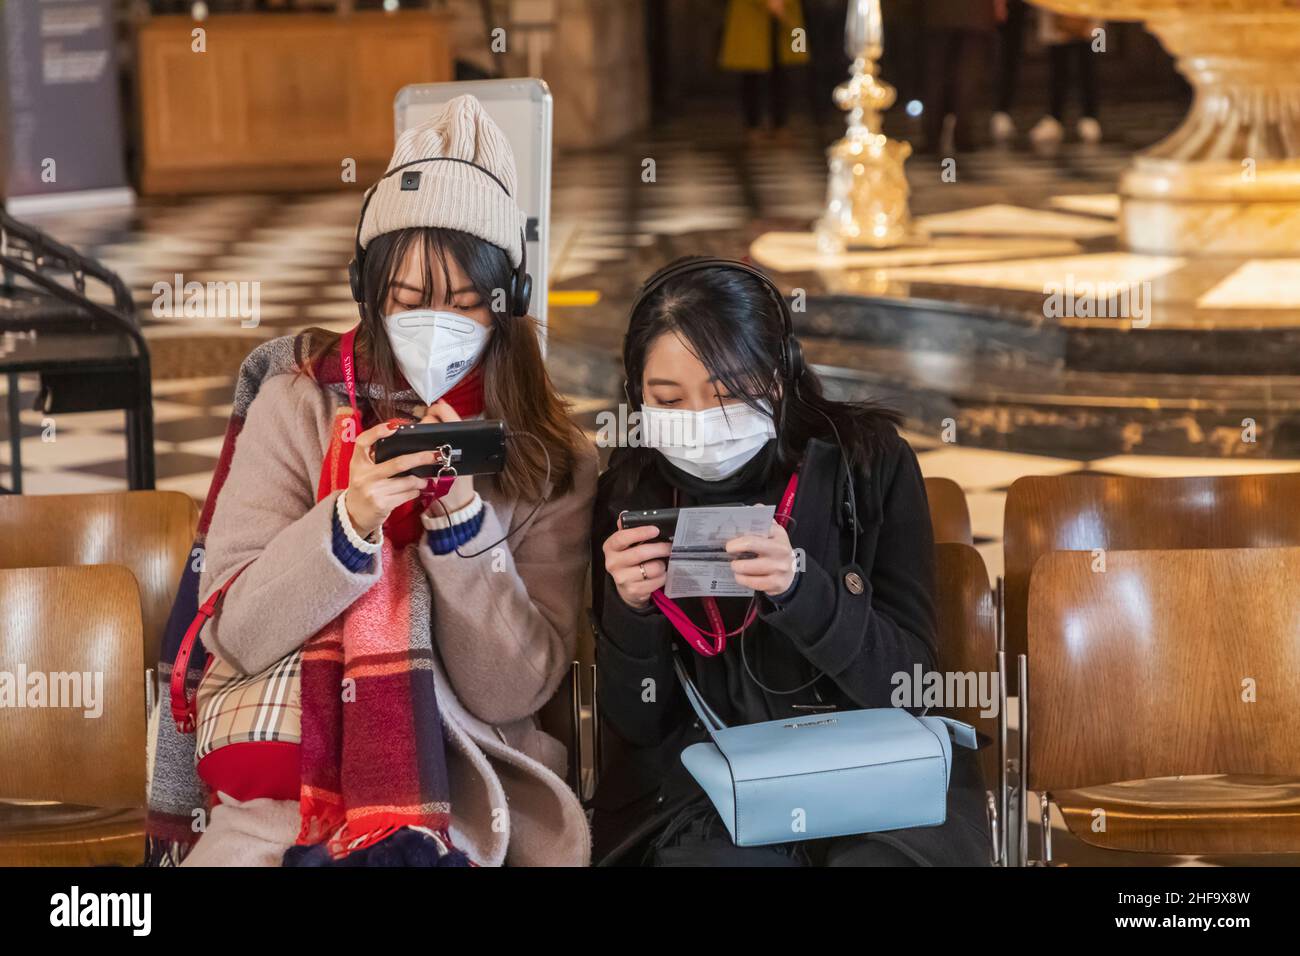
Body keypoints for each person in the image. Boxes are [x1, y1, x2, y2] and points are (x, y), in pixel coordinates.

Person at [147, 95, 596, 867]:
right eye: (411, 302)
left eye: (464, 305)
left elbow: (513, 692)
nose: (437, 325)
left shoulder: (553, 457)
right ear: (369, 296)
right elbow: (236, 634)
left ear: (509, 305)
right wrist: (346, 521)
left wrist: (461, 536)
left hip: (465, 788)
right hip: (285, 789)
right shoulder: (296, 403)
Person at [589, 258, 991, 866]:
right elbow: (638, 725)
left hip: (874, 772)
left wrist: (802, 588)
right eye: (667, 399)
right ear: (635, 399)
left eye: (727, 394)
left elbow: (907, 684)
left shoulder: (868, 463)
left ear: (780, 376)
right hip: (707, 789)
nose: (699, 421)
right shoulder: (632, 492)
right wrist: (632, 614)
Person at [720, 0, 810, 143]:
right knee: (751, 74)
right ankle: (753, 125)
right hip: (750, 14)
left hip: (785, 15)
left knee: (784, 71)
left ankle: (781, 124)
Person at [919, 0, 999, 154]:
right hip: (976, 11)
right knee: (969, 73)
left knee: (936, 73)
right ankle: (963, 134)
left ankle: (932, 136)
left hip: (939, 11)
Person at [1029, 11, 1103, 146]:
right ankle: (1054, 117)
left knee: (1093, 56)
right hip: (1056, 10)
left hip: (1093, 11)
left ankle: (1091, 117)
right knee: (1057, 63)